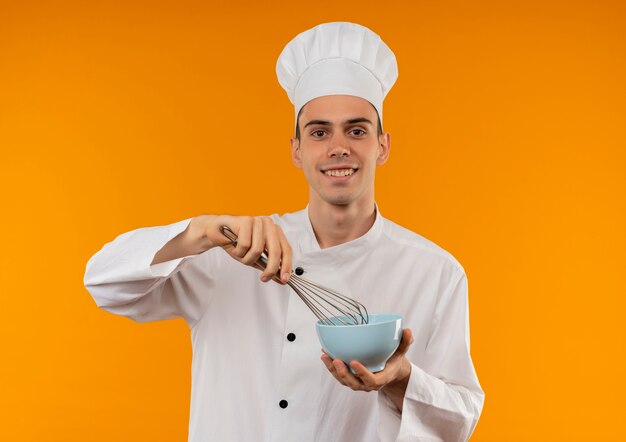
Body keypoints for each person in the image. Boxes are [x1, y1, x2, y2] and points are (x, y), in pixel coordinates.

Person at [84, 22, 484, 442]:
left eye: (357, 130)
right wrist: (201, 231)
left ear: (382, 145)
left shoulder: (435, 272)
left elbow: (461, 418)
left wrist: (401, 378)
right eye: (318, 132)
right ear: (297, 150)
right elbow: (104, 283)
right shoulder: (232, 250)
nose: (338, 147)